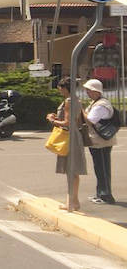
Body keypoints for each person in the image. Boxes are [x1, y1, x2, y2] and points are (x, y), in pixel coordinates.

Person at [46, 77, 86, 212]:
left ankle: (72, 202)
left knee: (71, 170)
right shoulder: (76, 100)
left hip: (69, 137)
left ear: (65, 88)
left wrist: (52, 120)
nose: (59, 91)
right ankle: (73, 201)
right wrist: (58, 118)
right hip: (75, 135)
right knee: (73, 171)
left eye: (60, 88)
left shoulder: (69, 101)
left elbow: (67, 123)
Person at [81, 79, 117, 205]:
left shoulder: (101, 105)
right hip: (98, 140)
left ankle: (106, 195)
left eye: (89, 90)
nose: (87, 93)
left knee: (102, 168)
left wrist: (81, 110)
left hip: (101, 141)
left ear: (96, 91)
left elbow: (90, 120)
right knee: (100, 167)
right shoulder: (96, 103)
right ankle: (101, 193)